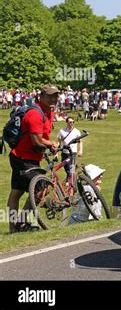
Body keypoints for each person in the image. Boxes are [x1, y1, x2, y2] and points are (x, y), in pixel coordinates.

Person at [7, 85, 59, 233]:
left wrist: (48, 144)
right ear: (41, 97)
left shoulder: (47, 113)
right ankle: (21, 223)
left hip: (23, 156)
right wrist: (51, 144)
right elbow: (37, 141)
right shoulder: (35, 114)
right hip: (24, 158)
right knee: (42, 188)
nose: (53, 99)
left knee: (16, 192)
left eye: (55, 96)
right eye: (49, 96)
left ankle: (14, 228)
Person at [57, 117, 83, 185]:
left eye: (73, 122)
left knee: (71, 169)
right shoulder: (62, 131)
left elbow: (80, 142)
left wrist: (80, 150)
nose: (72, 123)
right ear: (67, 122)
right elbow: (59, 142)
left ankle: (70, 184)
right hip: (64, 152)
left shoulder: (76, 131)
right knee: (66, 168)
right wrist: (56, 153)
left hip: (73, 153)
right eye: (70, 122)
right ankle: (71, 180)